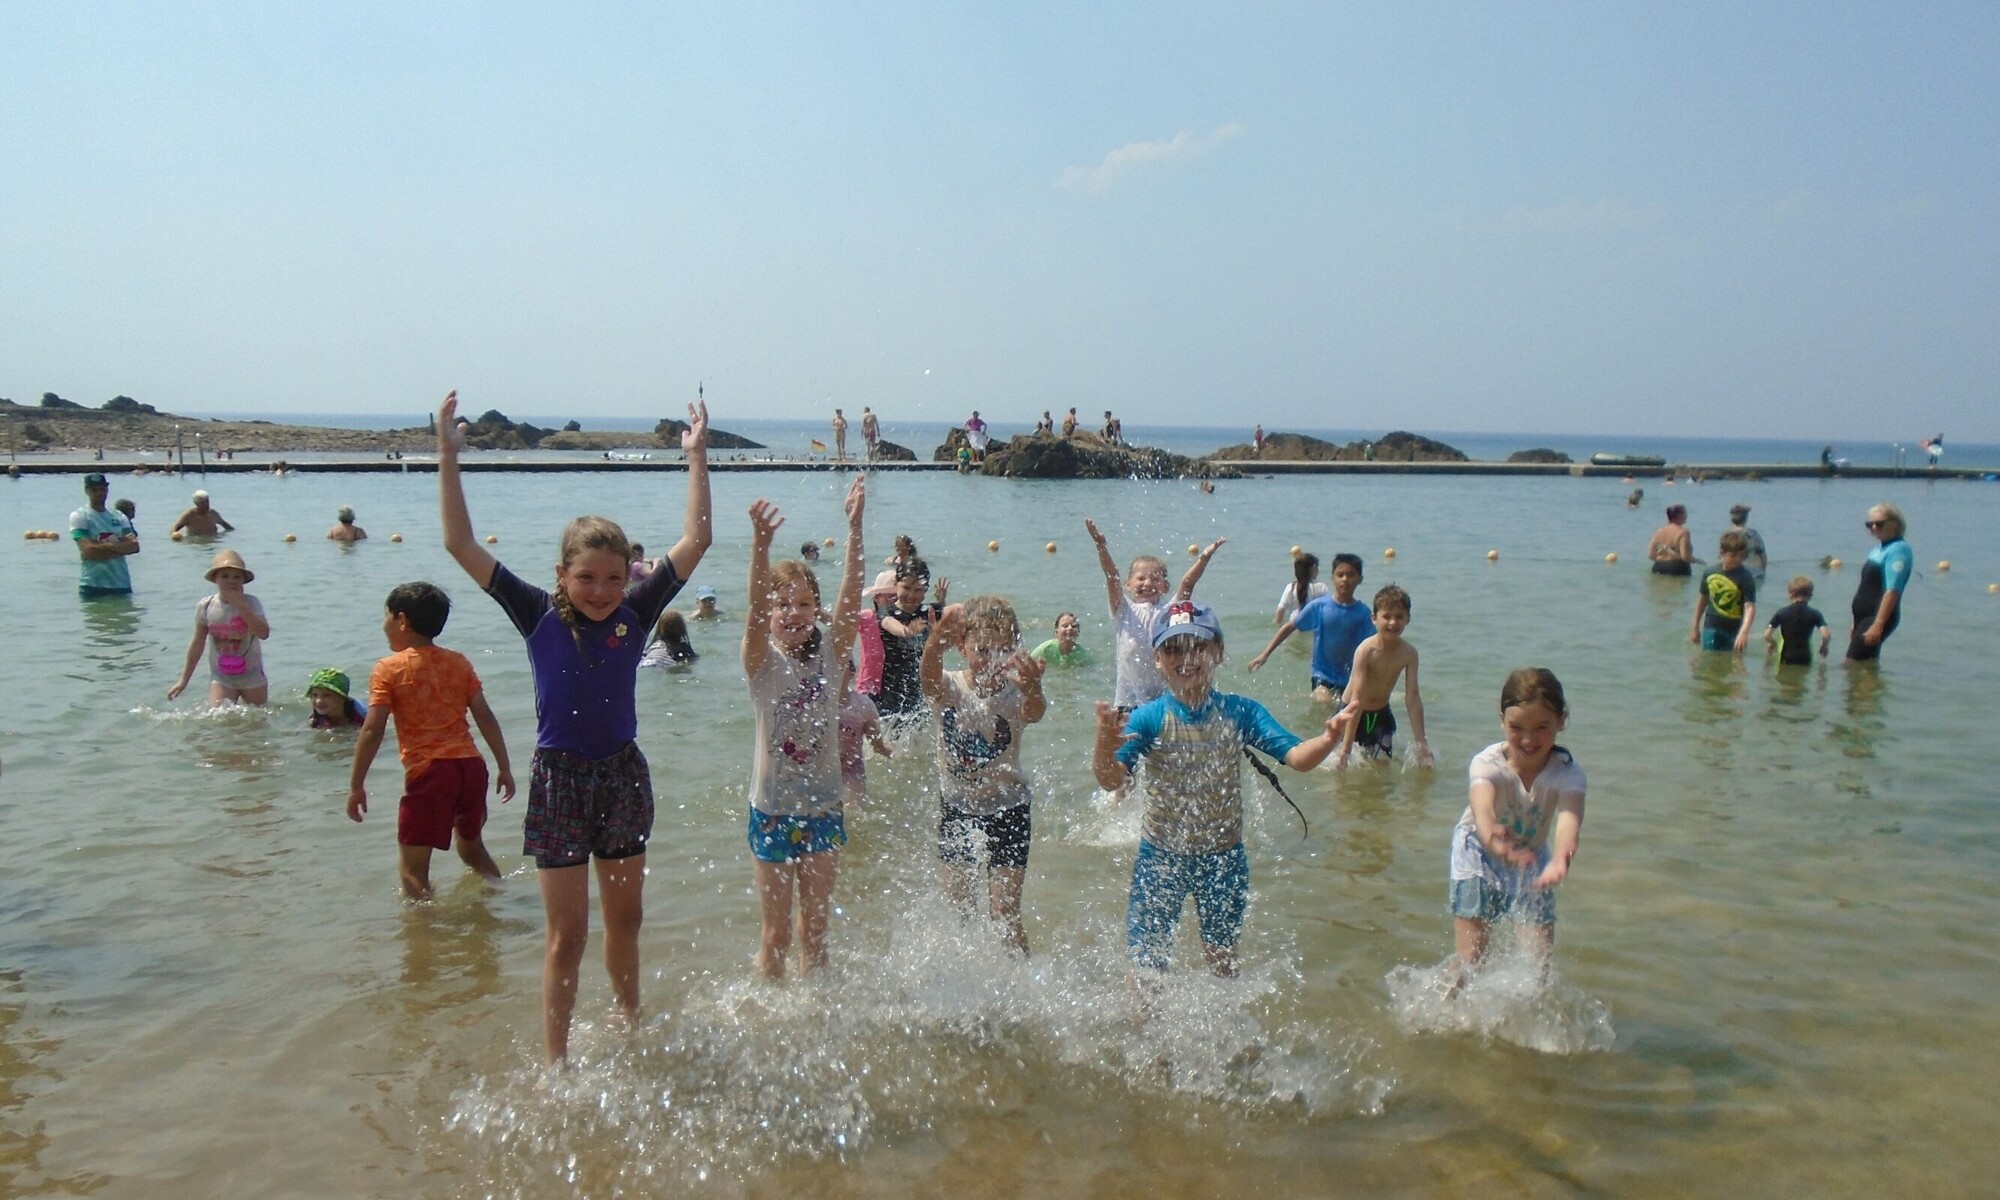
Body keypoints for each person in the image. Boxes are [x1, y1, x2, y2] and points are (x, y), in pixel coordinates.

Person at [437, 387, 711, 1064]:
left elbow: (698, 539)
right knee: (568, 935)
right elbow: (459, 543)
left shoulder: (637, 613)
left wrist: (696, 456)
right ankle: (557, 1062)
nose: (601, 590)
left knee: (627, 921)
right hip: (558, 781)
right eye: (587, 577)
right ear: (563, 575)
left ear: (628, 579)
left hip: (621, 775)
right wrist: (447, 453)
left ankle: (629, 1022)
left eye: (614, 578)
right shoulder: (536, 612)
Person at [1091, 602, 1348, 980]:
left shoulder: (1240, 713)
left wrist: (1327, 739)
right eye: (1173, 649)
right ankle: (1145, 1029)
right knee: (1148, 962)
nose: (1186, 658)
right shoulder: (1149, 717)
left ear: (1218, 652)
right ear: (1157, 660)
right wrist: (1102, 742)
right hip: (1160, 857)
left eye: (1197, 646)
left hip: (1223, 858)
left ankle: (1227, 1030)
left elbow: (1297, 759)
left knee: (1223, 959)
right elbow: (1111, 780)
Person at [742, 476, 866, 979]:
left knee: (815, 929)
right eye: (783, 604)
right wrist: (760, 546)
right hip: (771, 811)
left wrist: (855, 530)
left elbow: (853, 592)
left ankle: (816, 1014)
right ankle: (768, 1016)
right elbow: (751, 612)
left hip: (823, 809)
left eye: (804, 604)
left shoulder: (832, 658)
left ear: (816, 611)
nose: (793, 613)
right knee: (777, 934)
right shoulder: (761, 664)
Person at [345, 582, 515, 900]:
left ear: (401, 621)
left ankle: (424, 939)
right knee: (472, 850)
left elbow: (372, 729)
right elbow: (485, 716)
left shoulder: (388, 668)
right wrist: (504, 767)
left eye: (385, 616)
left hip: (430, 773)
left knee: (413, 870)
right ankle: (503, 901)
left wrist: (356, 784)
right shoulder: (459, 662)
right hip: (471, 768)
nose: (382, 624)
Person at [921, 597, 1047, 954]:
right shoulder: (949, 686)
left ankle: (1021, 982)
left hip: (1009, 809)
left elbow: (1035, 713)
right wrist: (933, 644)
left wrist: (1034, 688)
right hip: (957, 808)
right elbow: (927, 681)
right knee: (958, 909)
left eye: (1004, 649)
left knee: (1005, 913)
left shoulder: (1015, 691)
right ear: (961, 647)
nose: (993, 659)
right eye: (983, 649)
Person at [1449, 668, 1585, 977]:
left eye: (1541, 727)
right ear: (1501, 720)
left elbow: (1569, 818)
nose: (1528, 738)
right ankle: (1437, 1011)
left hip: (1532, 857)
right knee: (1473, 956)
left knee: (1539, 966)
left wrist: (1562, 857)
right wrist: (1492, 836)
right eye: (1517, 727)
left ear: (1562, 721)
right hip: (1477, 852)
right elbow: (1482, 805)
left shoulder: (1569, 774)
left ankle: (1515, 1022)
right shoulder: (1487, 762)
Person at [1084, 518, 1224, 715]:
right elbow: (1111, 576)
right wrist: (1101, 546)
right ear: (1128, 584)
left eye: (1155, 579)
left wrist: (1203, 558)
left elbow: (1187, 584)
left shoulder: (1169, 613)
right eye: (1140, 578)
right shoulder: (1123, 610)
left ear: (1165, 587)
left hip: (1163, 700)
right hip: (1127, 701)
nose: (1147, 583)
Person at [1247, 552, 1372, 704]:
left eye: (1351, 575)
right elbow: (1290, 626)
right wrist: (1265, 654)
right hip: (1322, 674)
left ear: (1360, 579)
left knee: (1344, 710)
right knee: (1324, 702)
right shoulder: (1319, 607)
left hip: (1350, 677)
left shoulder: (1364, 613)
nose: (1345, 579)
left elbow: (1375, 645)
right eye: (1340, 575)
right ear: (1333, 577)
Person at [1332, 585, 1433, 768]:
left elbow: (1412, 698)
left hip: (1380, 715)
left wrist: (1422, 744)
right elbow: (1357, 698)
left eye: (1399, 617)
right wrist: (1346, 748)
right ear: (1374, 619)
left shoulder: (1409, 653)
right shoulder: (1366, 651)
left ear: (1407, 619)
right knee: (1342, 770)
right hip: (1351, 712)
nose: (1393, 623)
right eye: (1386, 616)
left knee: (1381, 770)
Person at [167, 549, 271, 705]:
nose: (231, 581)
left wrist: (240, 606)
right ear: (215, 579)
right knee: (219, 719)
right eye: (225, 576)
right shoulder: (206, 605)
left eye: (237, 577)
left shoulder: (251, 603)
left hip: (252, 674)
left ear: (243, 580)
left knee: (257, 721)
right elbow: (197, 643)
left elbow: (263, 633)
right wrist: (183, 680)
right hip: (221, 676)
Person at [875, 557, 949, 724]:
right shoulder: (886, 611)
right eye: (906, 587)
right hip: (891, 686)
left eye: (918, 589)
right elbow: (888, 624)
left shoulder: (931, 611)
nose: (911, 595)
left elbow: (945, 634)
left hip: (921, 685)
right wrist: (906, 631)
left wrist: (942, 603)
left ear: (926, 590)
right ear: (896, 585)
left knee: (921, 727)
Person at [1847, 503, 1912, 663]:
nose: (1874, 528)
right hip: (1864, 617)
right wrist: (1856, 621)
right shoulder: (1878, 549)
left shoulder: (1899, 550)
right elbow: (1866, 587)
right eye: (1869, 525)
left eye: (1879, 524)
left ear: (1894, 523)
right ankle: (1873, 688)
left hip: (1877, 617)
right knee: (1866, 666)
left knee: (1852, 665)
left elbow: (1893, 590)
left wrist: (1878, 624)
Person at [71, 472, 139, 597]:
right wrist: (120, 547)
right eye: (94, 489)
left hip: (121, 584)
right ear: (87, 491)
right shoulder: (80, 516)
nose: (99, 493)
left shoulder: (119, 516)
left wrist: (103, 547)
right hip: (92, 585)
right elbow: (88, 551)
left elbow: (134, 547)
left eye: (102, 489)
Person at [1691, 531, 1759, 652]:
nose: (1738, 560)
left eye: (1741, 556)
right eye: (1733, 556)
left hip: (1734, 629)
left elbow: (1750, 607)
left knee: (1734, 664)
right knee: (1709, 661)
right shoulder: (1710, 573)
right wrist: (1695, 626)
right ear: (1722, 553)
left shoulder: (1745, 577)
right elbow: (1702, 600)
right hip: (1712, 626)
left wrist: (1744, 632)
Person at [836, 657, 890, 807]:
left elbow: (876, 742)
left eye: (840, 667)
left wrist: (886, 750)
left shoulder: (863, 706)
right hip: (823, 768)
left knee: (854, 810)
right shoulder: (816, 705)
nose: (833, 671)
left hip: (852, 767)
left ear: (852, 673)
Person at [1764, 576, 1830, 666]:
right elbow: (1826, 635)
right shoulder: (1815, 613)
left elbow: (1767, 635)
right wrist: (1824, 646)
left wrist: (1773, 643)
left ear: (1790, 594)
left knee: (1782, 677)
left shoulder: (1782, 612)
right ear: (1810, 595)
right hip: (1805, 657)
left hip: (1786, 655)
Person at [1274, 551, 1329, 627]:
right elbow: (1328, 611)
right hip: (1313, 628)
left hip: (1293, 628)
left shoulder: (1290, 587)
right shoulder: (1321, 587)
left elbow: (1280, 611)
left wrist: (1278, 627)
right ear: (1313, 568)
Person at [1647, 504, 1697, 576]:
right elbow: (1685, 557)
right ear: (1679, 515)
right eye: (1685, 514)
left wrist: (1664, 559)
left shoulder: (1659, 531)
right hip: (1677, 569)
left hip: (1658, 567)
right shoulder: (1683, 532)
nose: (1687, 516)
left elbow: (1651, 555)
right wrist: (1698, 561)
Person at [1727, 504, 1766, 579]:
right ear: (1746, 518)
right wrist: (1763, 571)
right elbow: (1763, 556)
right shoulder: (1753, 535)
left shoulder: (1726, 535)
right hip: (1754, 573)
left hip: (1733, 574)